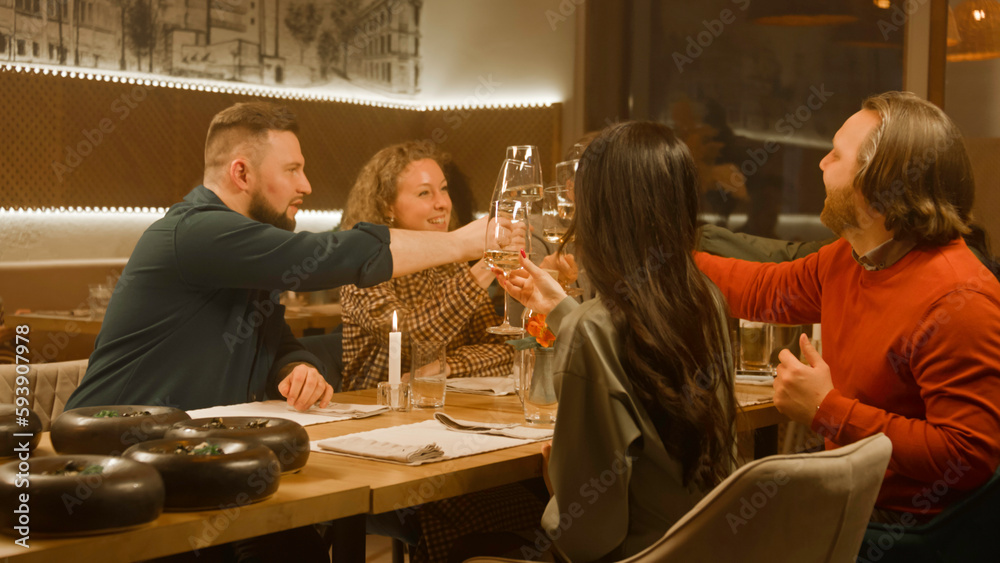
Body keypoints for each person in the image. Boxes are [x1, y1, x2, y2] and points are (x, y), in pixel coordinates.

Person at [695, 91, 1000, 523]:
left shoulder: (959, 300)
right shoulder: (854, 255)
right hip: (852, 498)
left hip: (909, 529)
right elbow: (765, 289)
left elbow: (966, 456)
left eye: (836, 155)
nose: (821, 163)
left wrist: (826, 409)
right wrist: (665, 259)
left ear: (876, 184)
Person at [65, 102, 485, 412]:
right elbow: (321, 257)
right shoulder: (198, 231)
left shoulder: (243, 246)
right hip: (109, 445)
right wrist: (465, 243)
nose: (306, 184)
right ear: (241, 173)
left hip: (186, 443)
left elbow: (272, 336)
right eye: (291, 170)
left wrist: (295, 366)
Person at [495, 121, 737, 561]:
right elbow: (631, 343)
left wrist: (557, 485)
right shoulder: (708, 301)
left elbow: (587, 536)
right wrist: (563, 309)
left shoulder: (592, 329)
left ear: (598, 214)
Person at [338, 141, 513, 391]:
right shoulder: (362, 265)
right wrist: (487, 265)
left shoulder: (452, 265)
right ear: (388, 205)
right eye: (424, 193)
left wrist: (450, 366)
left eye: (443, 189)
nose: (442, 203)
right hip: (375, 413)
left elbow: (505, 349)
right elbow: (408, 342)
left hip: (443, 409)